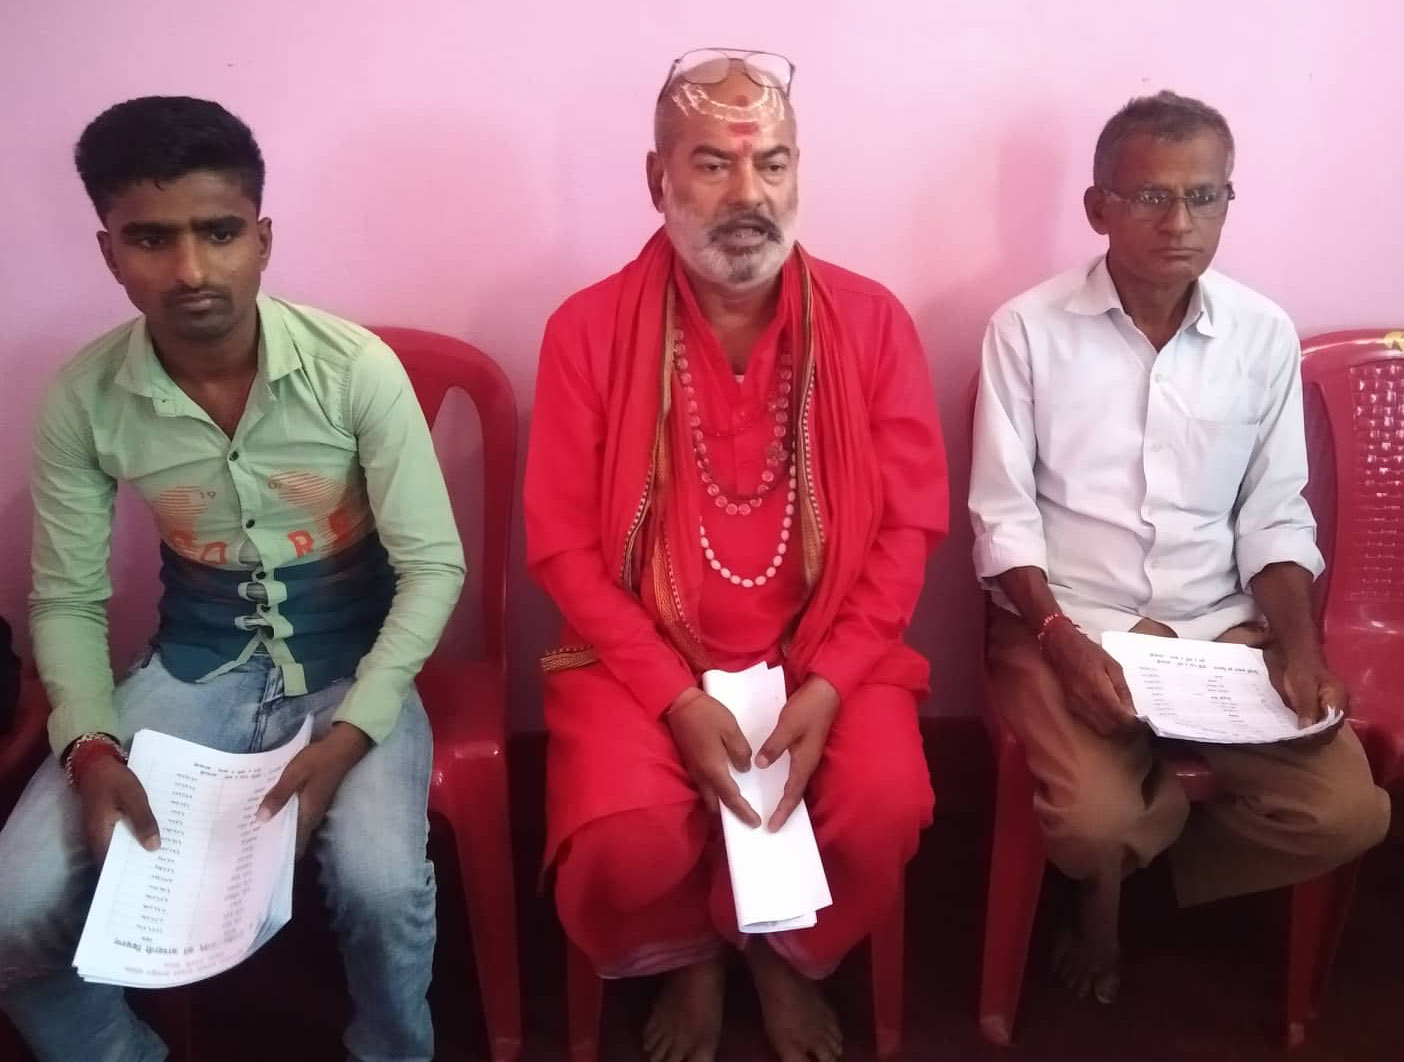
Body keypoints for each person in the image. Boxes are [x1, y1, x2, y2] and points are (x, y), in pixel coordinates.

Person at [0, 96, 464, 1062]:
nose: (191, 271)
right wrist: (91, 750)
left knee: (383, 887)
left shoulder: (355, 370)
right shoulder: (84, 398)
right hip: (193, 667)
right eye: (151, 239)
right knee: (13, 907)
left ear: (262, 238)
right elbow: (68, 599)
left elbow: (432, 566)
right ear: (108, 251)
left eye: (218, 232)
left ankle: (392, 1049)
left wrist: (352, 736)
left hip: (357, 665)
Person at [525, 48, 948, 1062]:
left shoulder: (872, 323)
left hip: (826, 651)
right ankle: (693, 958)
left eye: (774, 163)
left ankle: (785, 955)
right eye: (713, 164)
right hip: (637, 660)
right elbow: (563, 548)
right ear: (658, 178)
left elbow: (909, 528)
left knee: (882, 805)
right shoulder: (585, 331)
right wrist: (674, 695)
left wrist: (832, 683)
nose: (748, 194)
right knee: (624, 836)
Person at [969, 90, 1390, 1005]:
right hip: (1073, 623)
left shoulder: (1261, 335)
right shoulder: (1027, 331)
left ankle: (1138, 875)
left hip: (1217, 630)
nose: (1180, 222)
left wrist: (1300, 647)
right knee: (1091, 821)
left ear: (1228, 201)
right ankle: (1107, 869)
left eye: (1204, 197)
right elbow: (1003, 521)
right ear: (1098, 208)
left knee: (1348, 814)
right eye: (1152, 196)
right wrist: (1061, 643)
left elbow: (1275, 517)